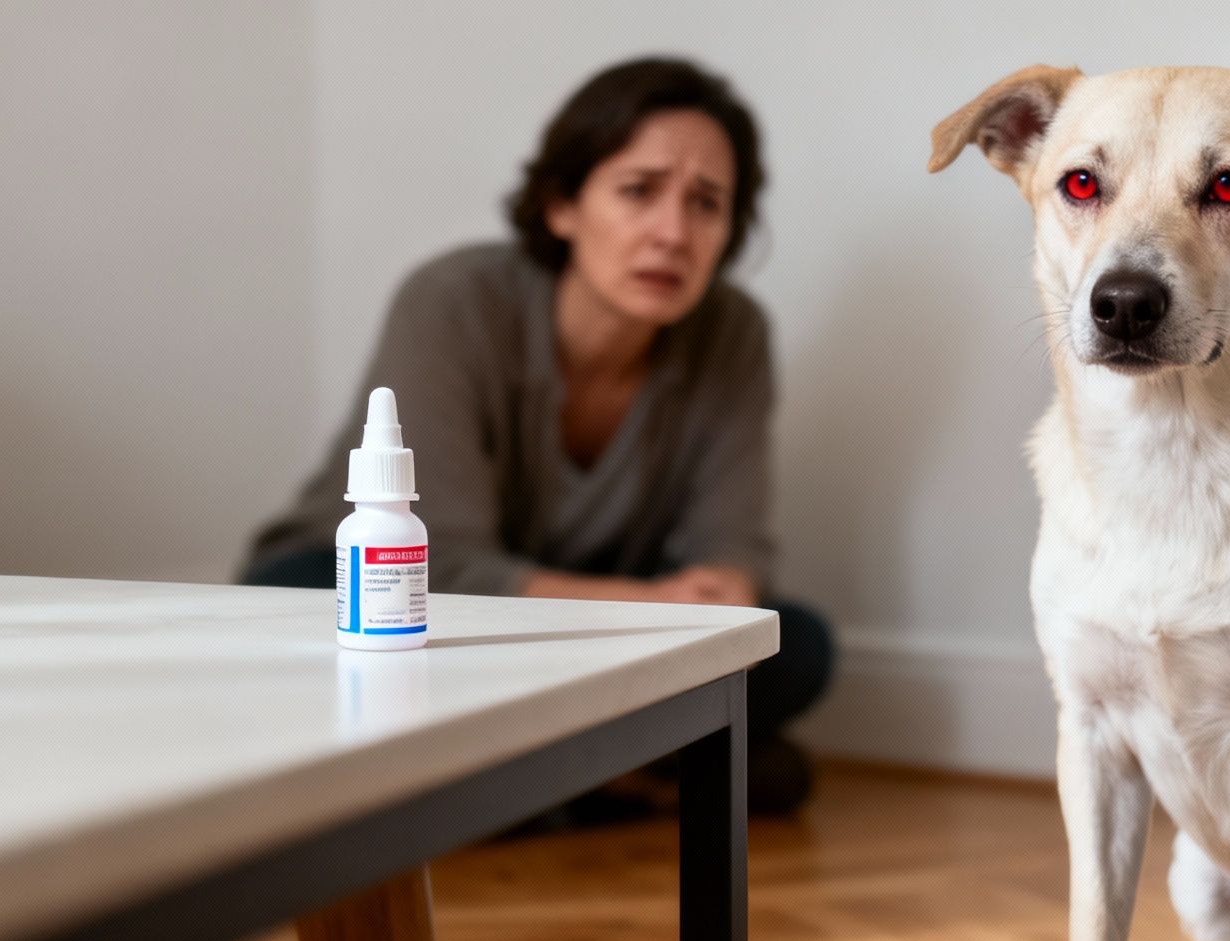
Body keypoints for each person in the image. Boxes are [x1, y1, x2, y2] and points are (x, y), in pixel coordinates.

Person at [242, 57, 831, 816]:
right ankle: (613, 777)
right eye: (639, 190)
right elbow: (446, 561)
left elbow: (734, 551)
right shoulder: (454, 300)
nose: (673, 232)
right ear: (562, 205)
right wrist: (653, 608)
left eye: (707, 203)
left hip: (591, 615)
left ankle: (496, 789)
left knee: (802, 645)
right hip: (407, 602)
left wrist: (721, 591)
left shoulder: (733, 334)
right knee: (292, 612)